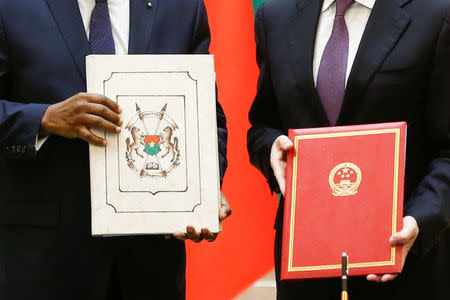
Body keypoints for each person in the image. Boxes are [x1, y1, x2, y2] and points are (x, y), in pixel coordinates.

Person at [0, 0, 230, 299]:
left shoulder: (181, 8)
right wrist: (43, 119)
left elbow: (206, 115)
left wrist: (203, 191)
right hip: (43, 260)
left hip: (150, 263)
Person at [247, 0, 449, 299]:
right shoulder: (275, 15)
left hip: (404, 258)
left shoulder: (436, 13)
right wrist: (271, 148)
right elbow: (262, 125)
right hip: (306, 263)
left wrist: (420, 218)